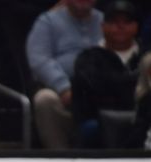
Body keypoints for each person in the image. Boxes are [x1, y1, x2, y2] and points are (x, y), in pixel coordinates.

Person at [26, 0, 103, 149]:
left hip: (100, 97)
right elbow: (39, 59)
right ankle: (59, 159)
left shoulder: (106, 21)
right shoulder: (47, 21)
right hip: (64, 96)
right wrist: (63, 87)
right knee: (44, 99)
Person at [71, 1, 141, 148]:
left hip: (142, 120)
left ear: (136, 26)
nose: (120, 26)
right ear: (103, 26)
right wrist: (131, 82)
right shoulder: (88, 58)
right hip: (99, 123)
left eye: (126, 22)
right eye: (114, 21)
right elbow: (93, 94)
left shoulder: (148, 56)